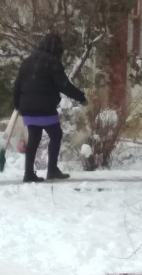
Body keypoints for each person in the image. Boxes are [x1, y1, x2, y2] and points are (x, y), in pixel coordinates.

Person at [13, 33, 87, 183]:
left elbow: (17, 86)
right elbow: (64, 85)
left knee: (34, 137)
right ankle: (52, 170)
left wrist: (17, 105)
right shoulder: (52, 62)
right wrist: (81, 97)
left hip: (27, 109)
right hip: (45, 108)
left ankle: (28, 173)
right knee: (56, 135)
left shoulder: (27, 61)